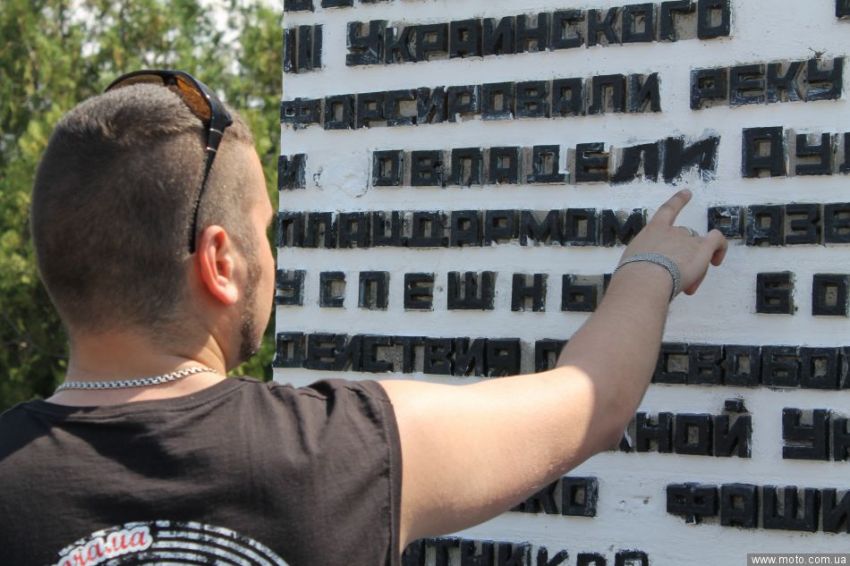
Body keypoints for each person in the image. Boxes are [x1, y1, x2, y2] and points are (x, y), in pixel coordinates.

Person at [0, 70, 727, 565]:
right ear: (221, 261)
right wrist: (651, 267)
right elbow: (593, 399)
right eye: (264, 231)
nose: (272, 258)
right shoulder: (343, 454)